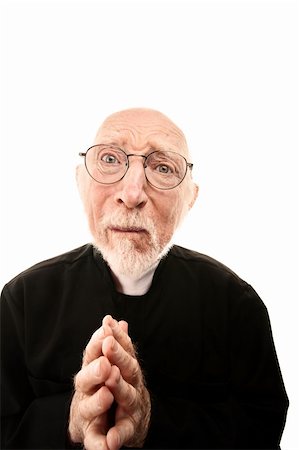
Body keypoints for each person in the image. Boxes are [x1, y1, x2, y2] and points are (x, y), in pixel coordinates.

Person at [1, 108, 288, 450]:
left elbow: (262, 428)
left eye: (163, 168)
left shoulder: (235, 304)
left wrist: (148, 419)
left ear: (190, 199)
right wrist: (72, 420)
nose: (132, 193)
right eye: (110, 159)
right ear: (81, 182)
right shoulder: (24, 298)